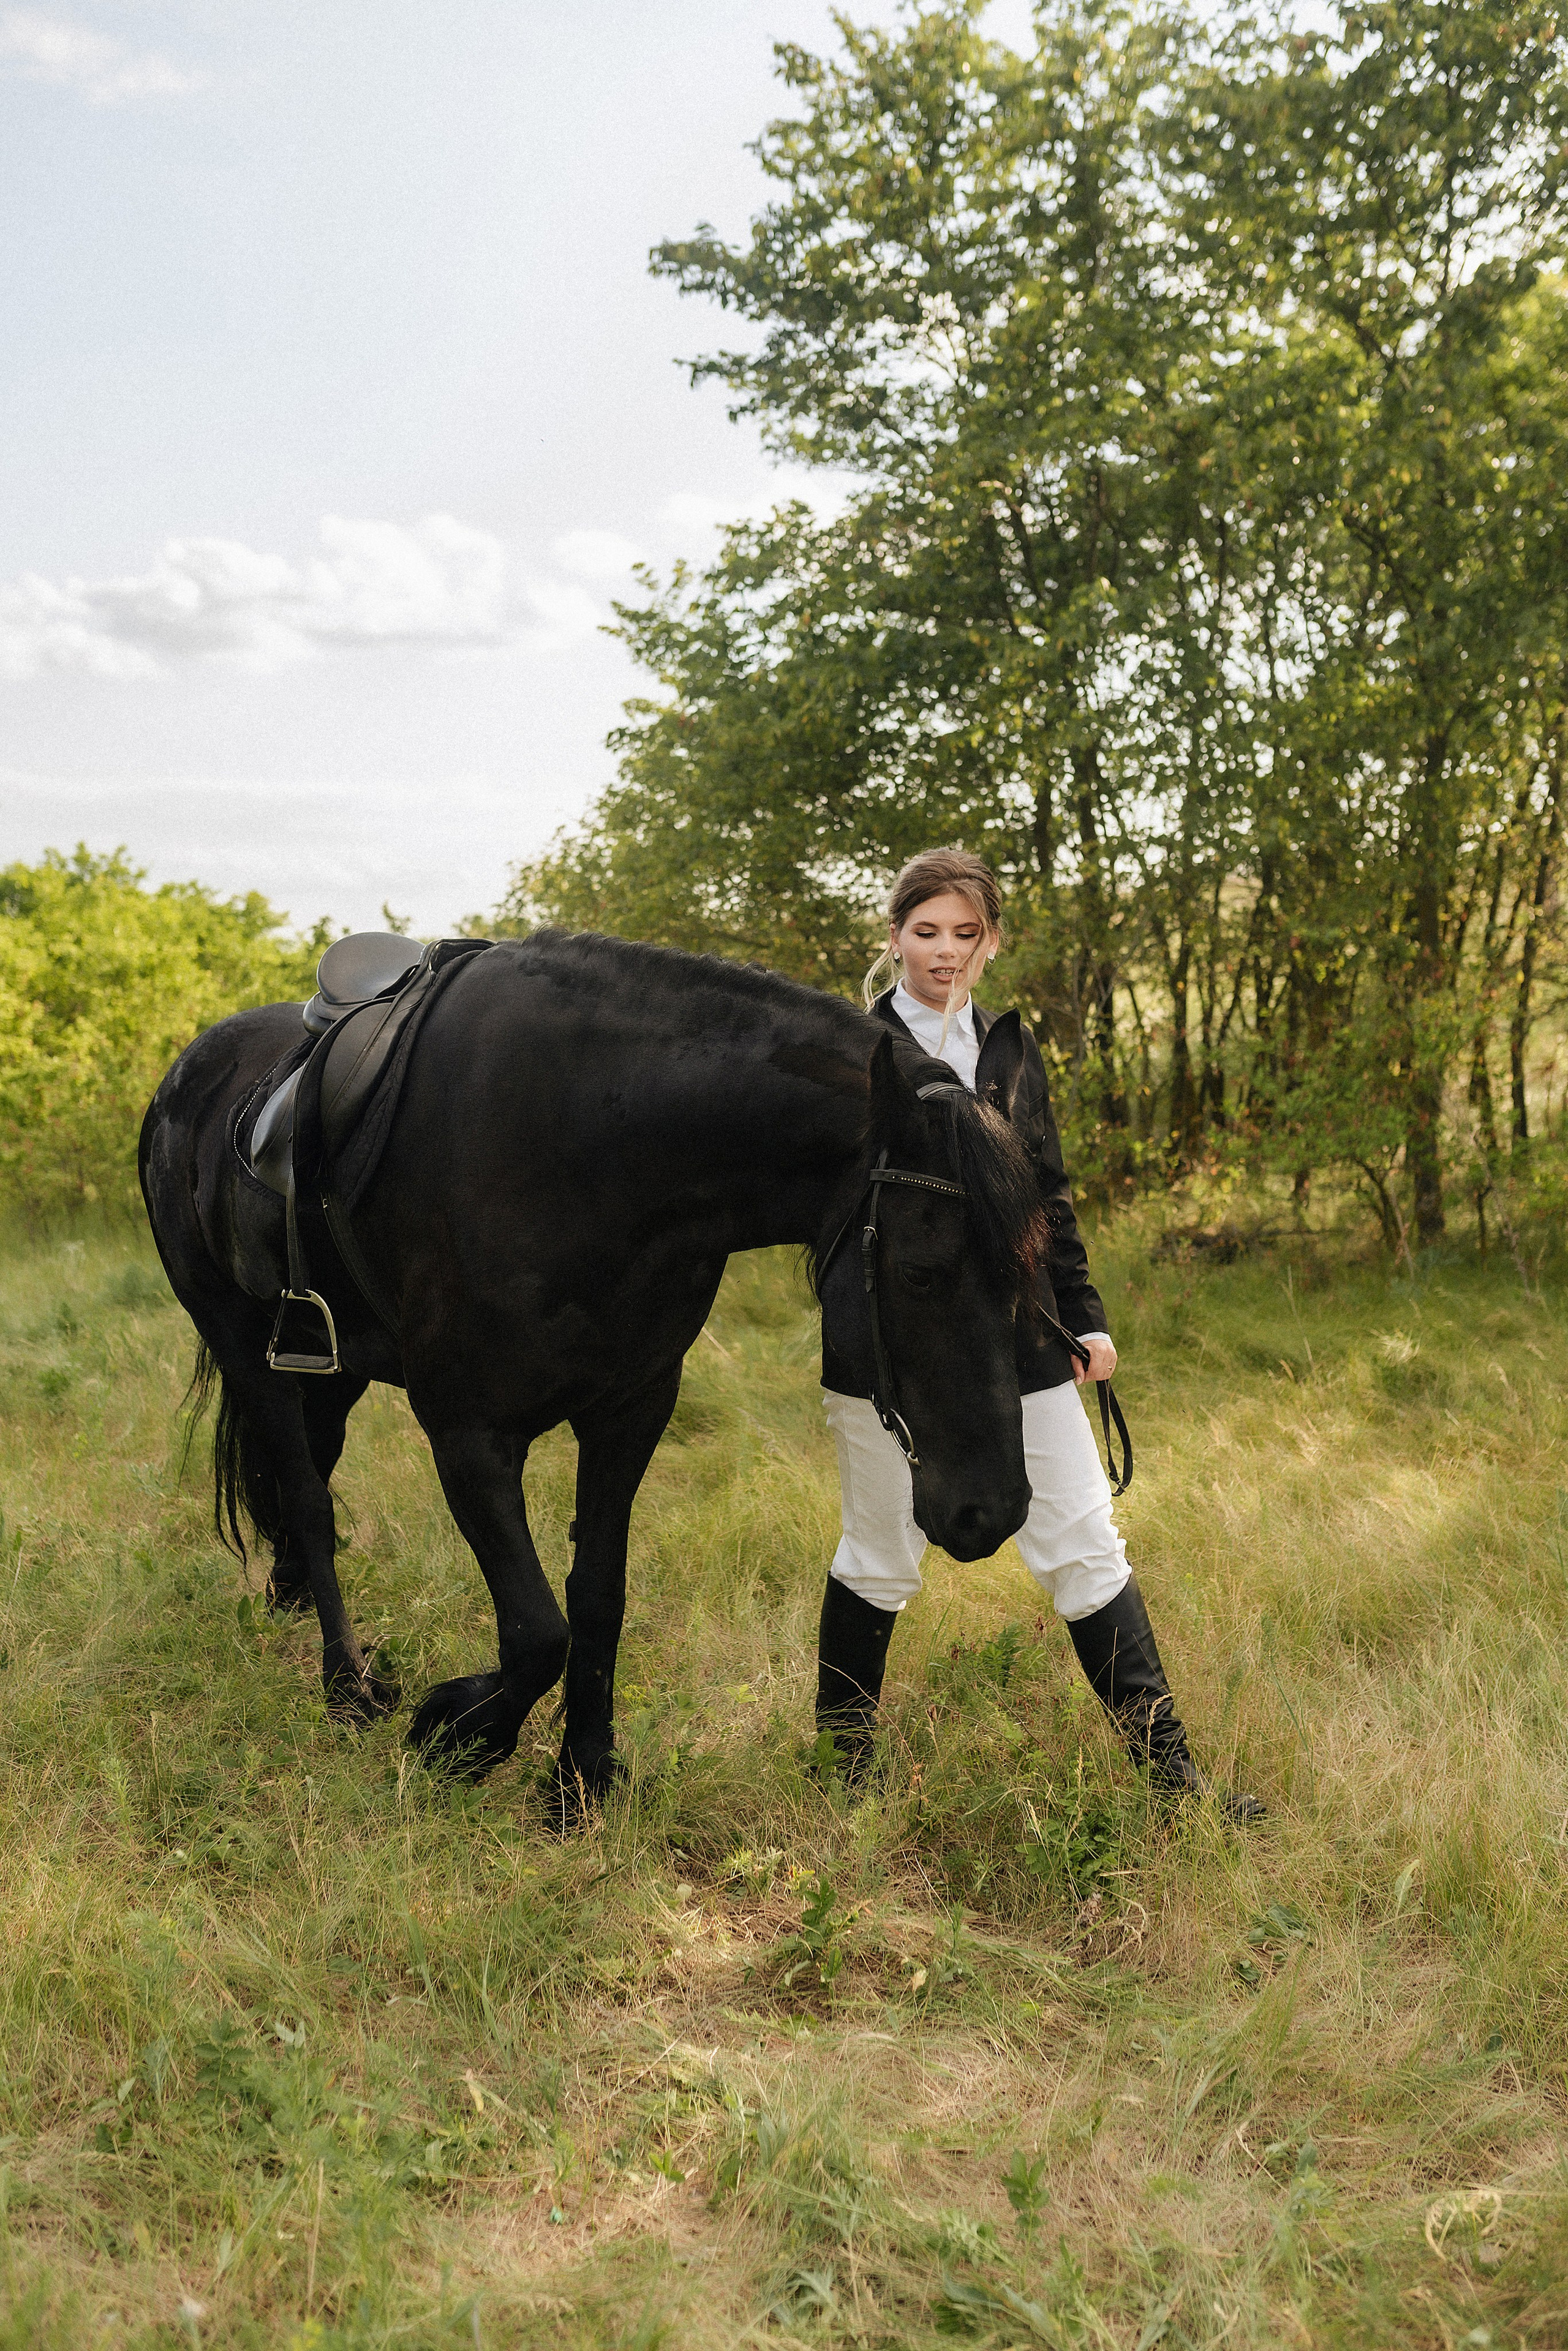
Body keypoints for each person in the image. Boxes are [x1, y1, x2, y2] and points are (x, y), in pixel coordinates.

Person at [815, 847, 1263, 1821]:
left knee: (1084, 1542)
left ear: (991, 944)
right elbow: (830, 1221)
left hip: (1018, 1341)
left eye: (964, 934)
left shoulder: (1011, 1052)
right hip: (897, 1357)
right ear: (892, 938)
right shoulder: (859, 1052)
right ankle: (842, 1776)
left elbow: (1047, 1197)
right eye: (925, 931)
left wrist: (1084, 1316)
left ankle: (1174, 1787)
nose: (944, 953)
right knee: (882, 1552)